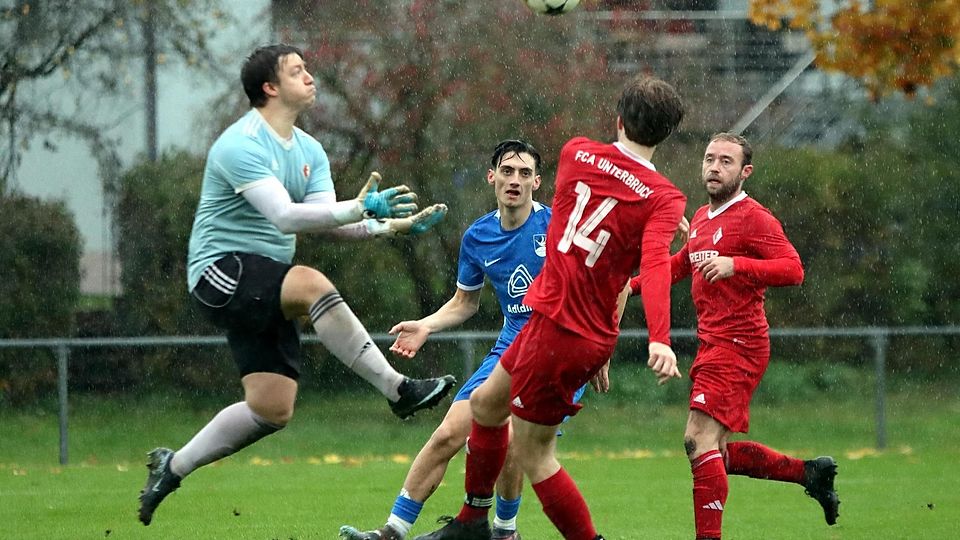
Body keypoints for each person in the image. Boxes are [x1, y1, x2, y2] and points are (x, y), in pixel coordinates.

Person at [137, 44, 457, 526]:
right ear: (269, 87)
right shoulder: (240, 143)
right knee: (309, 283)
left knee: (272, 408)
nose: (310, 77)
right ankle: (398, 389)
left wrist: (387, 226)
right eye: (297, 71)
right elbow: (286, 217)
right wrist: (360, 207)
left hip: (262, 282)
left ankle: (172, 466)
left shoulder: (309, 149)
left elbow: (329, 222)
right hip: (219, 273)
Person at [413, 74, 687, 540]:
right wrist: (660, 338)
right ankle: (473, 522)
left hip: (563, 327)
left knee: (534, 454)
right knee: (484, 404)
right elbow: (655, 266)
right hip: (561, 325)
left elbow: (604, 194)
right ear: (665, 135)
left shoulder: (576, 153)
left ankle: (515, 530)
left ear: (618, 119)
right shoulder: (665, 197)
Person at [339, 139, 588, 540]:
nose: (515, 180)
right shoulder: (478, 236)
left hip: (557, 351)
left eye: (525, 174)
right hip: (509, 349)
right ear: (492, 177)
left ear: (537, 182)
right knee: (448, 433)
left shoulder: (557, 226)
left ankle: (504, 531)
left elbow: (599, 283)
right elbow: (464, 301)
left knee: (510, 441)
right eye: (507, 171)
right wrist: (426, 325)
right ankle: (392, 531)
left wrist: (601, 350)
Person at [629, 132, 839, 539]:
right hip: (714, 343)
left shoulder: (754, 217)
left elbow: (793, 269)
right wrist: (631, 286)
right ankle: (809, 473)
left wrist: (736, 265)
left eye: (726, 161)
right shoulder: (703, 219)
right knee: (713, 454)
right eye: (709, 158)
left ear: (745, 172)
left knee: (697, 440)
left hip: (740, 345)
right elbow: (679, 265)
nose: (714, 167)